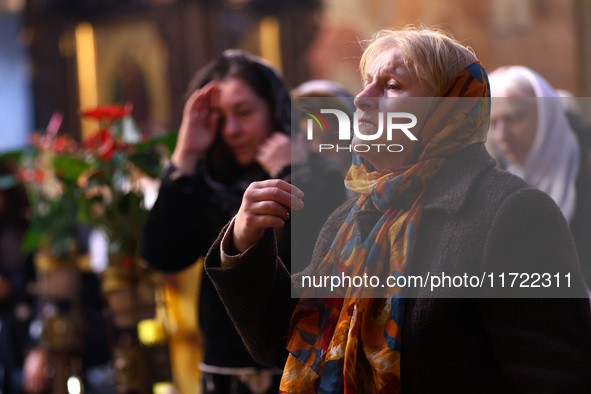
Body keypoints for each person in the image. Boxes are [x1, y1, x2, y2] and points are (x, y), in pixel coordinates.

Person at [203, 27, 591, 392]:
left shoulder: (511, 213)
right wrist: (244, 239)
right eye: (366, 83)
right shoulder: (354, 217)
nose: (362, 98)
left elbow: (555, 377)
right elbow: (286, 341)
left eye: (392, 86)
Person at [141, 49, 344, 393]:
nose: (232, 129)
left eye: (245, 112)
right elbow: (162, 254)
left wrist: (291, 172)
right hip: (225, 371)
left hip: (302, 363)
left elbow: (316, 259)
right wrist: (185, 154)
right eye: (219, 117)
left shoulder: (320, 171)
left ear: (275, 109)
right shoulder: (202, 182)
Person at [487, 66, 591, 288]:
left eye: (514, 118)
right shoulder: (496, 185)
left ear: (547, 115)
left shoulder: (585, 173)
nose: (501, 136)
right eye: (493, 123)